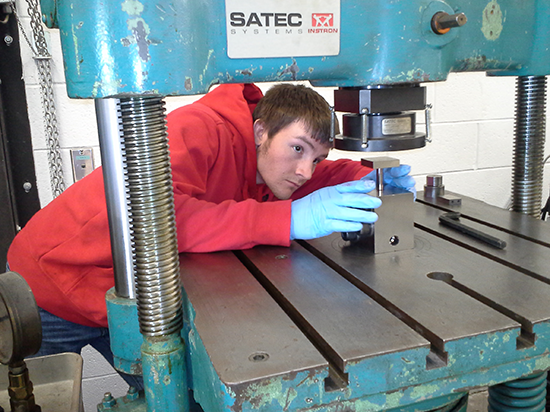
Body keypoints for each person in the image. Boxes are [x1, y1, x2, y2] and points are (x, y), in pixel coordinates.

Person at [6, 83, 415, 388]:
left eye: (317, 157)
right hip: (52, 283)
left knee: (175, 396)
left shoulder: (269, 163)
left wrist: (369, 178)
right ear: (259, 132)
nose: (305, 170)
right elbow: (156, 217)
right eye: (297, 149)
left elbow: (315, 179)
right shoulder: (199, 129)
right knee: (46, 398)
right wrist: (285, 221)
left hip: (133, 295)